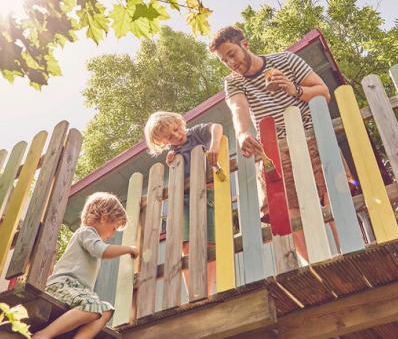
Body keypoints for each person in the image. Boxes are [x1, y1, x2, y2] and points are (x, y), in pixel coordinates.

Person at [208, 25, 336, 261]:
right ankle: (314, 264)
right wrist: (244, 133)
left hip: (309, 136)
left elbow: (323, 92)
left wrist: (293, 88)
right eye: (224, 60)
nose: (230, 62)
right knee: (287, 207)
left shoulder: (286, 61)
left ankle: (346, 249)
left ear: (244, 44)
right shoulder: (233, 82)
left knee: (332, 193)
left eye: (232, 54)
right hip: (274, 148)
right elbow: (238, 109)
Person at [32, 192, 138, 339]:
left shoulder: (90, 236)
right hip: (64, 285)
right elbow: (102, 251)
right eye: (114, 228)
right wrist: (130, 249)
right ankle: (43, 335)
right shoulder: (86, 232)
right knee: (94, 307)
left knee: (106, 310)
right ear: (104, 217)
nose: (113, 234)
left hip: (78, 291)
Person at [144, 111, 222, 294]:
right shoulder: (174, 153)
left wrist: (215, 146)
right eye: (170, 136)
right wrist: (172, 161)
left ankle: (207, 289)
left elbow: (216, 127)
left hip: (207, 192)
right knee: (186, 245)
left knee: (210, 241)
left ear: (180, 122)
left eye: (177, 129)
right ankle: (194, 293)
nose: (177, 135)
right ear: (163, 142)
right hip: (184, 200)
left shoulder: (196, 133)